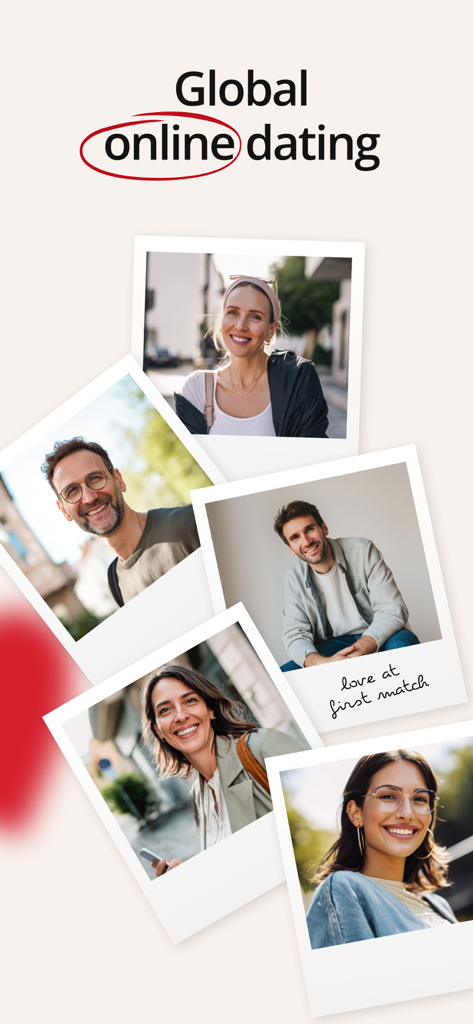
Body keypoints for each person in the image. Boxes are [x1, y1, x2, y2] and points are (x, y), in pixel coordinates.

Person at [141, 664, 305, 874]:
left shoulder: (264, 747)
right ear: (159, 730)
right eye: (165, 710)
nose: (180, 716)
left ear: (210, 709)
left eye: (190, 701)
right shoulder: (197, 798)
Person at [306, 749, 457, 948]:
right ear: (355, 813)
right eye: (388, 796)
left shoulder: (439, 905)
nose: (407, 813)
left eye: (420, 799)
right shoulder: (345, 889)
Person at [41, 437, 200, 608]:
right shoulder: (116, 583)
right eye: (71, 491)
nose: (89, 497)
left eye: (95, 478)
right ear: (64, 510)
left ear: (118, 479)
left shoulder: (192, 524)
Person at [174, 275, 329, 437]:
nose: (241, 326)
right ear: (222, 322)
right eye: (233, 312)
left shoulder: (298, 378)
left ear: (271, 330)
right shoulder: (198, 387)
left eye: (255, 316)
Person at [273, 499, 420, 670]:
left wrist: (363, 647)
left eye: (310, 529)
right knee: (286, 674)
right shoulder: (293, 578)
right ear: (290, 547)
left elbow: (392, 609)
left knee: (403, 642)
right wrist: (323, 662)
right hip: (333, 645)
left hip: (379, 634)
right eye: (295, 537)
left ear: (324, 528)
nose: (306, 542)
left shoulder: (363, 550)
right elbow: (294, 635)